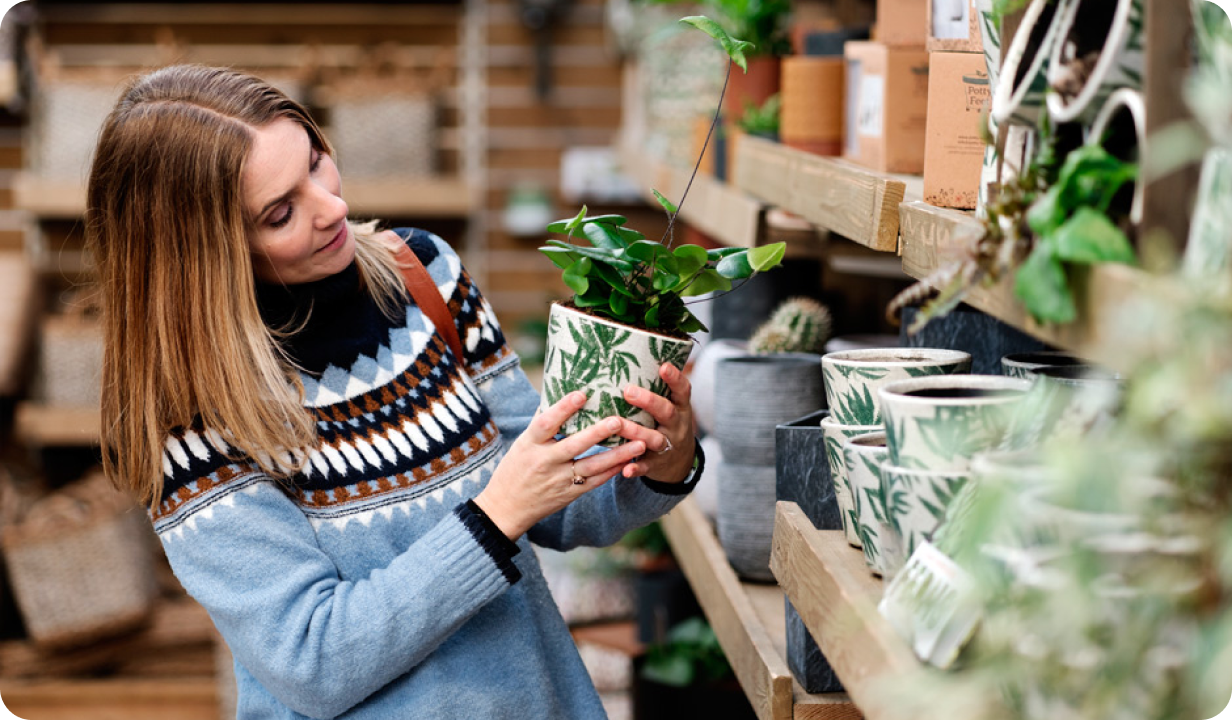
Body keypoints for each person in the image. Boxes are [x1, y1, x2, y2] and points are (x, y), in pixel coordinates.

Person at [86, 64, 704, 719]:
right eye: (280, 211)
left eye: (317, 163)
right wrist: (493, 518)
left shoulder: (426, 277)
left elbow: (552, 502)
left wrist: (661, 464)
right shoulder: (192, 423)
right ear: (207, 252)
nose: (333, 208)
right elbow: (314, 662)